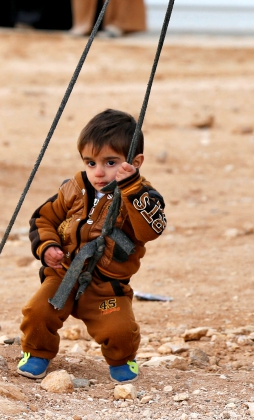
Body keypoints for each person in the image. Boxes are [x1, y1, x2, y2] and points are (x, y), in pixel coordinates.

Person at [18, 109, 166, 383]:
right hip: (64, 275)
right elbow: (43, 218)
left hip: (106, 286)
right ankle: (37, 352)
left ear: (135, 162)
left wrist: (132, 189)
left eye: (110, 162)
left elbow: (150, 231)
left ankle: (122, 360)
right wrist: (48, 247)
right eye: (90, 163)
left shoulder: (143, 196)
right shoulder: (74, 188)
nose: (98, 172)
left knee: (120, 330)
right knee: (37, 311)